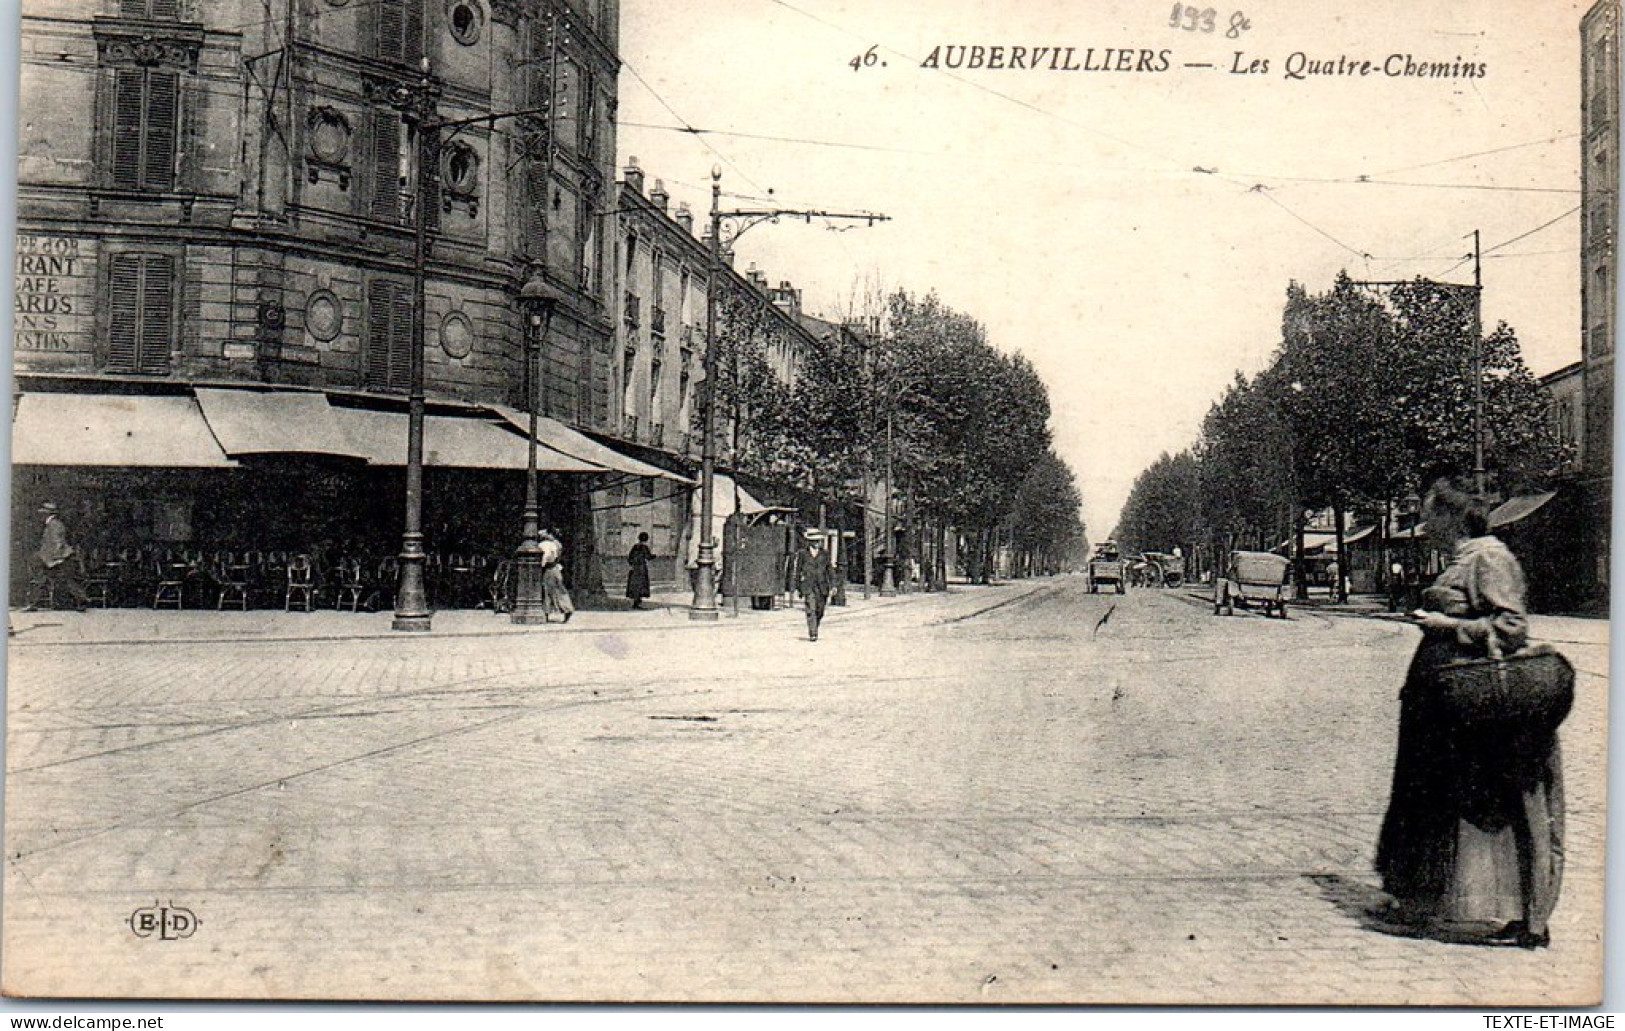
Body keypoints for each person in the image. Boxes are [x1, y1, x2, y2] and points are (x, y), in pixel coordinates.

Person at [1374, 476, 1560, 949]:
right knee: (1436, 799)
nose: (1424, 524)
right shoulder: (1465, 558)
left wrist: (1446, 625)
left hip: (1482, 702)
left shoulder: (1488, 558)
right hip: (1446, 701)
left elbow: (1511, 625)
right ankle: (1425, 901)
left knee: (1502, 803)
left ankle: (1527, 917)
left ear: (1452, 516)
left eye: (1429, 514)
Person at [33, 502, 88, 611]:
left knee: (68, 581)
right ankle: (34, 602)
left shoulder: (54, 525)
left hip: (59, 558)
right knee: (42, 579)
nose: (40, 515)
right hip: (54, 558)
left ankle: (82, 600)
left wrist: (55, 559)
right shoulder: (52, 524)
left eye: (42, 513)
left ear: (47, 514)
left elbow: (57, 542)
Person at [796, 529, 834, 641]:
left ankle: (815, 625)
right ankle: (813, 632)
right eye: (815, 541)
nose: (817, 543)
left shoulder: (825, 553)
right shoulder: (803, 554)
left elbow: (830, 569)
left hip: (822, 586)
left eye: (818, 541)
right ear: (810, 542)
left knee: (820, 610)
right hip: (808, 585)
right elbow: (798, 570)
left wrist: (834, 585)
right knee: (811, 609)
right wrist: (798, 586)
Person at [539, 528, 573, 623]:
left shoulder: (545, 544)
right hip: (555, 568)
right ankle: (567, 608)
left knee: (547, 591)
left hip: (548, 568)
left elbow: (546, 557)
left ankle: (547, 612)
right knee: (559, 589)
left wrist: (542, 565)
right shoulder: (556, 544)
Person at [626, 532, 653, 609]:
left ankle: (636, 602)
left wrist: (632, 564)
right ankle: (637, 603)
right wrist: (654, 556)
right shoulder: (645, 547)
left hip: (635, 568)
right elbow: (648, 557)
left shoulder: (635, 546)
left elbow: (629, 557)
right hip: (641, 568)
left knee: (635, 585)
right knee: (641, 585)